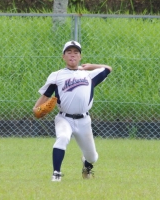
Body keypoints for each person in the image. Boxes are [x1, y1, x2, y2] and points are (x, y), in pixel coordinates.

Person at [33, 41, 113, 182]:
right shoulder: (56, 76)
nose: (72, 55)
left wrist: (90, 66)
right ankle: (56, 173)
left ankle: (86, 164)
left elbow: (108, 69)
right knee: (63, 137)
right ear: (63, 56)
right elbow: (45, 96)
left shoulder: (89, 75)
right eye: (69, 52)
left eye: (76, 52)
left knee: (93, 157)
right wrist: (35, 109)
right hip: (64, 118)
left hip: (84, 121)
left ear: (80, 57)